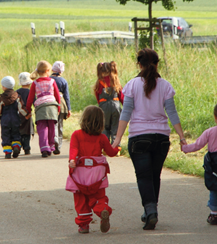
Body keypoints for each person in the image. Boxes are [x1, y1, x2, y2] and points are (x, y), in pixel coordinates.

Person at [111, 48, 186, 230]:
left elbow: (126, 113)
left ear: (139, 64)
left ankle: (150, 211)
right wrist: (182, 137)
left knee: (144, 177)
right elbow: (172, 113)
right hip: (161, 138)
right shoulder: (165, 85)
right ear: (157, 63)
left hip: (139, 138)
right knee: (154, 175)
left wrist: (117, 139)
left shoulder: (132, 85)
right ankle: (150, 210)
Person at [66, 106, 120, 234]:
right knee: (99, 197)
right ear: (101, 122)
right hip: (97, 174)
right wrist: (117, 149)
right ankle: (102, 211)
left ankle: (84, 225)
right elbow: (111, 153)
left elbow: (73, 149)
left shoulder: (76, 135)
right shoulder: (102, 138)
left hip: (80, 174)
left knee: (81, 199)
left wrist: (72, 160)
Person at [24, 60, 62, 158]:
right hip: (52, 106)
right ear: (48, 70)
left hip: (40, 107)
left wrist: (28, 109)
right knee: (51, 127)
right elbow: (57, 96)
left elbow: (30, 98)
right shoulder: (52, 81)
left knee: (42, 128)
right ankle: (51, 145)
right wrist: (58, 107)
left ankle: (45, 148)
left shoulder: (35, 83)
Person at [0, 76, 27, 159]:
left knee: (5, 135)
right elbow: (21, 108)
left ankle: (8, 152)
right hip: (15, 119)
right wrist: (26, 114)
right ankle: (16, 146)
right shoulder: (17, 96)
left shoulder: (2, 98)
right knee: (16, 134)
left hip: (5, 120)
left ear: (4, 87)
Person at [95, 61, 124, 145]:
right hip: (116, 106)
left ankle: (106, 146)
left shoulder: (99, 82)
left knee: (104, 127)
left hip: (104, 107)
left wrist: (101, 105)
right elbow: (121, 96)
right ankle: (116, 147)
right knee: (115, 127)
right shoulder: (115, 80)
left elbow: (98, 96)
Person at [50, 61, 71, 155]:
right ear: (61, 71)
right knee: (60, 125)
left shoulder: (48, 79)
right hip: (61, 104)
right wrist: (69, 109)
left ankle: (52, 142)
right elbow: (66, 96)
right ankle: (58, 145)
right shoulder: (63, 81)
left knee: (52, 125)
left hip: (50, 103)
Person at [16, 72, 35, 155]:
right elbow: (34, 102)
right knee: (27, 132)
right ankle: (27, 148)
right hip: (28, 114)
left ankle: (19, 146)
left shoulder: (16, 92)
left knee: (19, 131)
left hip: (18, 114)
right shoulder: (30, 92)